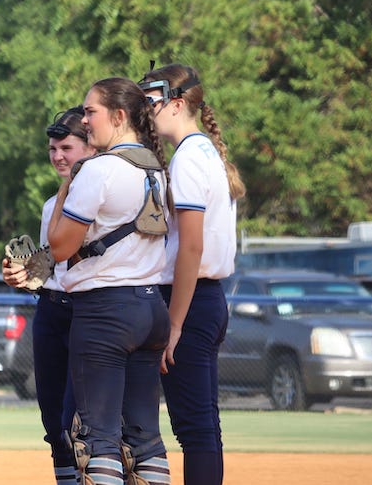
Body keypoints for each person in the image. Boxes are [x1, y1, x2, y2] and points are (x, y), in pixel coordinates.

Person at [47, 77, 172, 485]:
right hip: (151, 308)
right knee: (146, 440)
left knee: (97, 441)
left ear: (118, 116)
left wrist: (67, 187)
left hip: (105, 311)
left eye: (91, 112)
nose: (84, 121)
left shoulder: (99, 169)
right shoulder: (156, 167)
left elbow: (61, 245)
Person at [139, 64, 245, 485]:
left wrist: (176, 323)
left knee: (194, 429)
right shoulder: (206, 153)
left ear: (178, 104)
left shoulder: (186, 158)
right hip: (207, 298)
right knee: (203, 427)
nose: (147, 111)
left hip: (191, 302)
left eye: (152, 102)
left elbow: (192, 247)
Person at [2, 107, 96, 485]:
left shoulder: (106, 192)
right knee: (54, 422)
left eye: (67, 147)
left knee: (81, 422)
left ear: (90, 147)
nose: (58, 155)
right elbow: (50, 267)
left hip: (88, 312)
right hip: (51, 311)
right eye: (53, 148)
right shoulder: (49, 204)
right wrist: (21, 275)